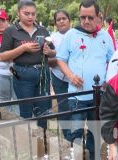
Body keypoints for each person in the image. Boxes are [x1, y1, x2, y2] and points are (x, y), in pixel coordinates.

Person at [56, 0, 114, 159]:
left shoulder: (105, 36)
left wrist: (108, 80)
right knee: (76, 133)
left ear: (98, 17)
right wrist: (70, 75)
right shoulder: (71, 34)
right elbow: (60, 59)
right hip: (77, 96)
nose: (86, 21)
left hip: (98, 96)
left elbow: (113, 60)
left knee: (95, 132)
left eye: (90, 17)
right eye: (83, 17)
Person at [0, 0, 56, 128]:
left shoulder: (43, 30)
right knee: (25, 111)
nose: (30, 16)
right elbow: (3, 56)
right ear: (18, 13)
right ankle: (27, 142)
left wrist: (49, 51)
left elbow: (54, 52)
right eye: (27, 13)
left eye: (33, 14)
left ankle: (42, 140)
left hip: (43, 73)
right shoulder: (11, 31)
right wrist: (23, 48)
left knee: (43, 110)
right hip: (22, 73)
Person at [0, 9, 19, 115]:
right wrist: (5, 58)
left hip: (15, 70)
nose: (0, 23)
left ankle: (21, 126)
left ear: (7, 20)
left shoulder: (16, 33)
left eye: (3, 20)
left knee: (18, 98)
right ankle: (7, 128)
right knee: (4, 100)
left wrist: (4, 57)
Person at [49, 9, 72, 141]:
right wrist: (60, 59)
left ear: (69, 20)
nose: (62, 21)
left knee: (75, 107)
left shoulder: (76, 34)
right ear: (55, 23)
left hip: (75, 78)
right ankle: (66, 137)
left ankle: (76, 135)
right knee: (63, 107)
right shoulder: (52, 38)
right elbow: (50, 62)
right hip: (59, 78)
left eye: (64, 18)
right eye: (59, 19)